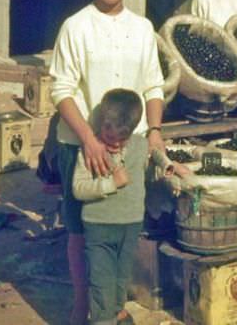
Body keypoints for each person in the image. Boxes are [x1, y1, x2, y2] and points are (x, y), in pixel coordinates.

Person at [49, 0, 168, 325]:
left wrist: (154, 131)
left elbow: (153, 85)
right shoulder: (76, 26)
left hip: (128, 144)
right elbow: (62, 90)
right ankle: (82, 306)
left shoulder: (143, 27)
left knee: (122, 224)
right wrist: (88, 140)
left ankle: (112, 306)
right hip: (81, 142)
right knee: (81, 228)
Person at [73, 89, 182, 324]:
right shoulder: (90, 150)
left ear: (131, 133)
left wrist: (173, 169)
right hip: (99, 226)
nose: (114, 145)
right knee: (102, 281)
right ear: (102, 124)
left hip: (130, 225)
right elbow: (78, 189)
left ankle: (116, 313)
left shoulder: (140, 146)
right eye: (108, 138)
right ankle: (103, 319)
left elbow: (156, 162)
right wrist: (110, 183)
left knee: (121, 278)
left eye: (121, 140)